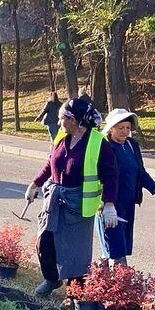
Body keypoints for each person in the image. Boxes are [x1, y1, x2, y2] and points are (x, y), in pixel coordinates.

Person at [23, 98, 118, 297]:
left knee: (76, 252)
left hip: (79, 204)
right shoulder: (61, 137)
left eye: (62, 118)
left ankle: (75, 295)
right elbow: (50, 164)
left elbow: (111, 176)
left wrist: (109, 204)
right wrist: (35, 184)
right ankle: (51, 279)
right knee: (45, 241)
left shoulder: (98, 142)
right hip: (55, 200)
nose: (59, 123)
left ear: (74, 120)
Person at [97, 108, 155, 265]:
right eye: (120, 128)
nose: (125, 132)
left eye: (128, 128)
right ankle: (120, 285)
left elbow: (140, 172)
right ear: (111, 128)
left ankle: (98, 284)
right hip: (110, 205)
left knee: (115, 249)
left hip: (128, 204)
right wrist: (105, 205)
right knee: (116, 251)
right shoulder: (104, 146)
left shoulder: (132, 145)